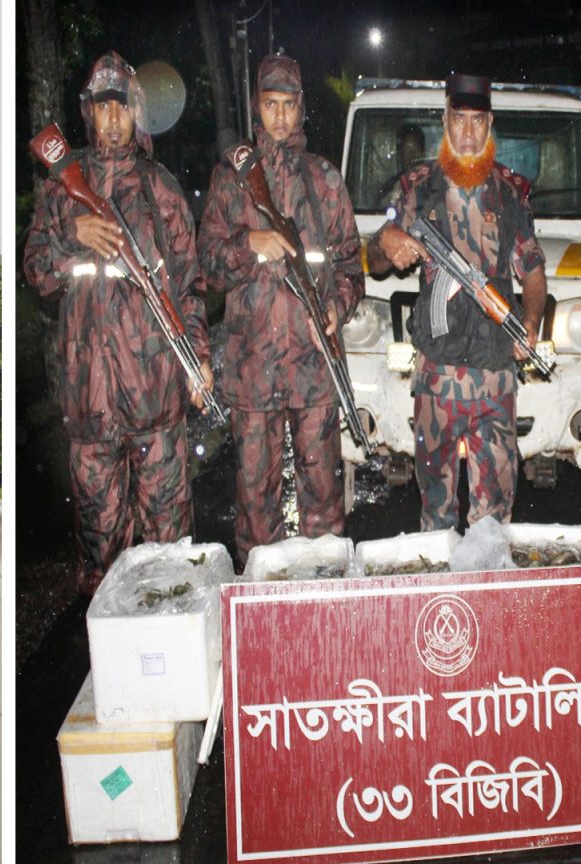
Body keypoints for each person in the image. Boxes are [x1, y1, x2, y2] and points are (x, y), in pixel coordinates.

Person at [22, 50, 212, 594]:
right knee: (101, 557)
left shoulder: (162, 191)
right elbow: (36, 271)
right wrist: (71, 238)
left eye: (122, 108)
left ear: (137, 114)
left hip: (155, 400)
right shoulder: (63, 191)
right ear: (89, 114)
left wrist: (199, 360)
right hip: (89, 403)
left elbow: (192, 287)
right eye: (102, 108)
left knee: (171, 553)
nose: (111, 120)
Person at [198, 52, 365, 558]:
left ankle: (326, 609)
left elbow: (351, 266)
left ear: (301, 108)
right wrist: (249, 244)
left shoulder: (324, 180)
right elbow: (205, 264)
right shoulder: (231, 178)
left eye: (288, 105)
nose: (280, 116)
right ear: (258, 108)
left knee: (324, 508)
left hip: (315, 370)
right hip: (253, 373)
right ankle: (260, 614)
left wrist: (337, 306)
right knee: (256, 510)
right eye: (270, 104)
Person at [367, 73, 548, 532]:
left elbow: (533, 273)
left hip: (494, 381)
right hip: (436, 384)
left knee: (493, 524)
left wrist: (530, 321)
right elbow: (375, 259)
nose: (468, 134)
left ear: (491, 125)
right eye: (459, 120)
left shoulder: (510, 194)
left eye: (477, 122)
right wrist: (387, 240)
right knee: (436, 519)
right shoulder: (417, 187)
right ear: (445, 121)